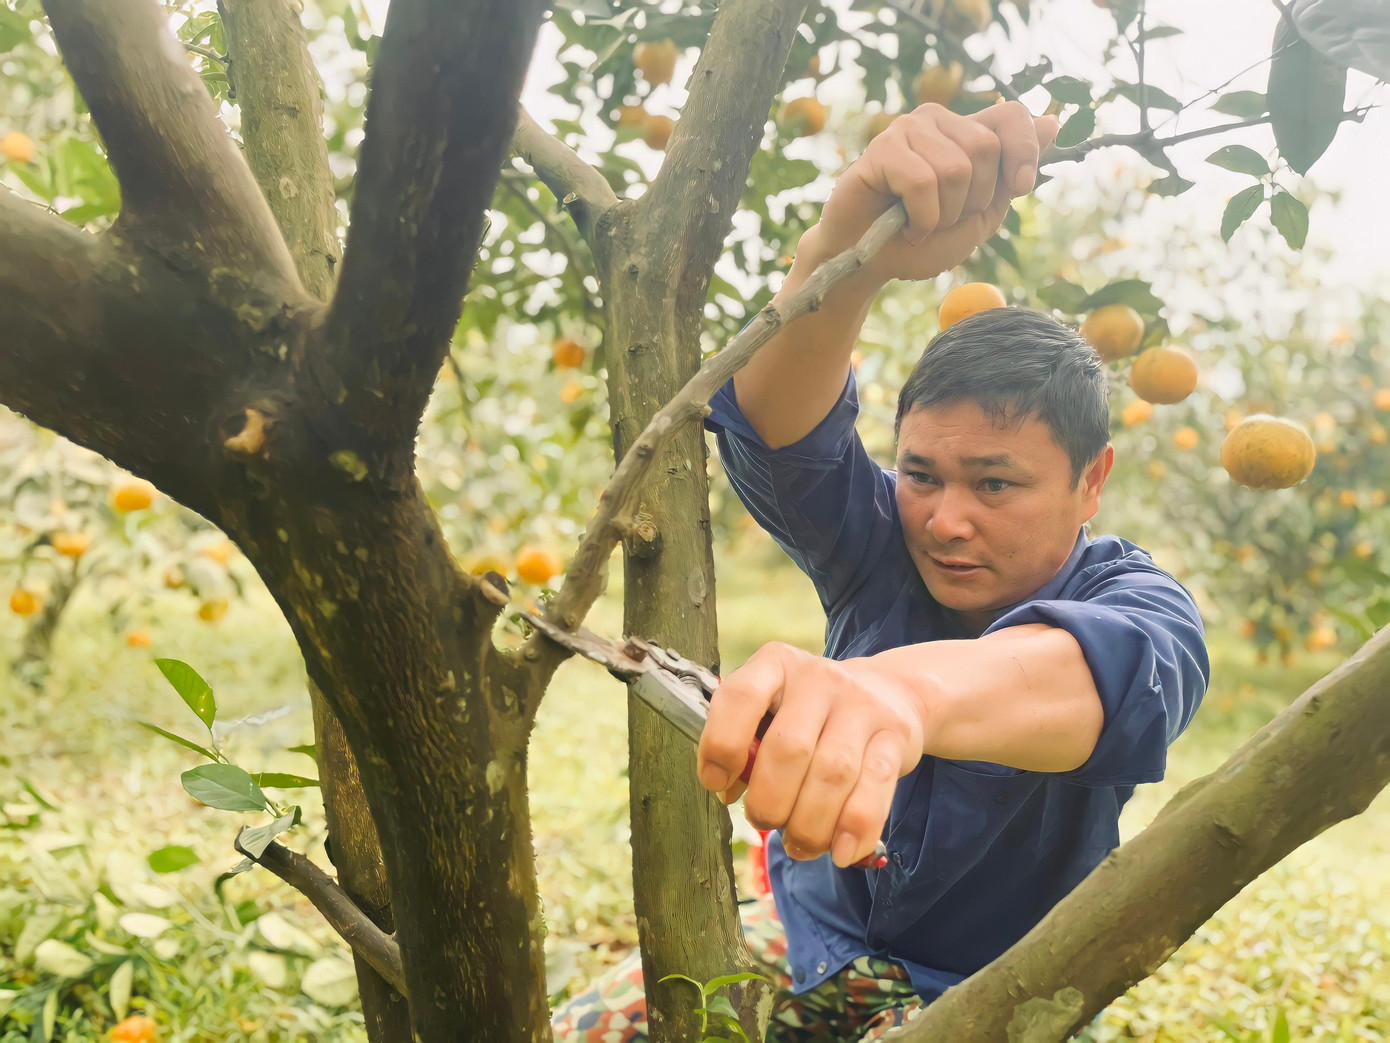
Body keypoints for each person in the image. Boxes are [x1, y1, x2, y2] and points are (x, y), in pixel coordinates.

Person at [551, 100, 1209, 1042]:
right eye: (923, 474)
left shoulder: (1141, 605)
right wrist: (848, 239)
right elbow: (781, 422)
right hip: (803, 934)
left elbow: (1094, 681)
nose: (947, 518)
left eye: (995, 483)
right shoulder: (880, 547)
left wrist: (895, 699)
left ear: (1090, 480)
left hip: (986, 998)